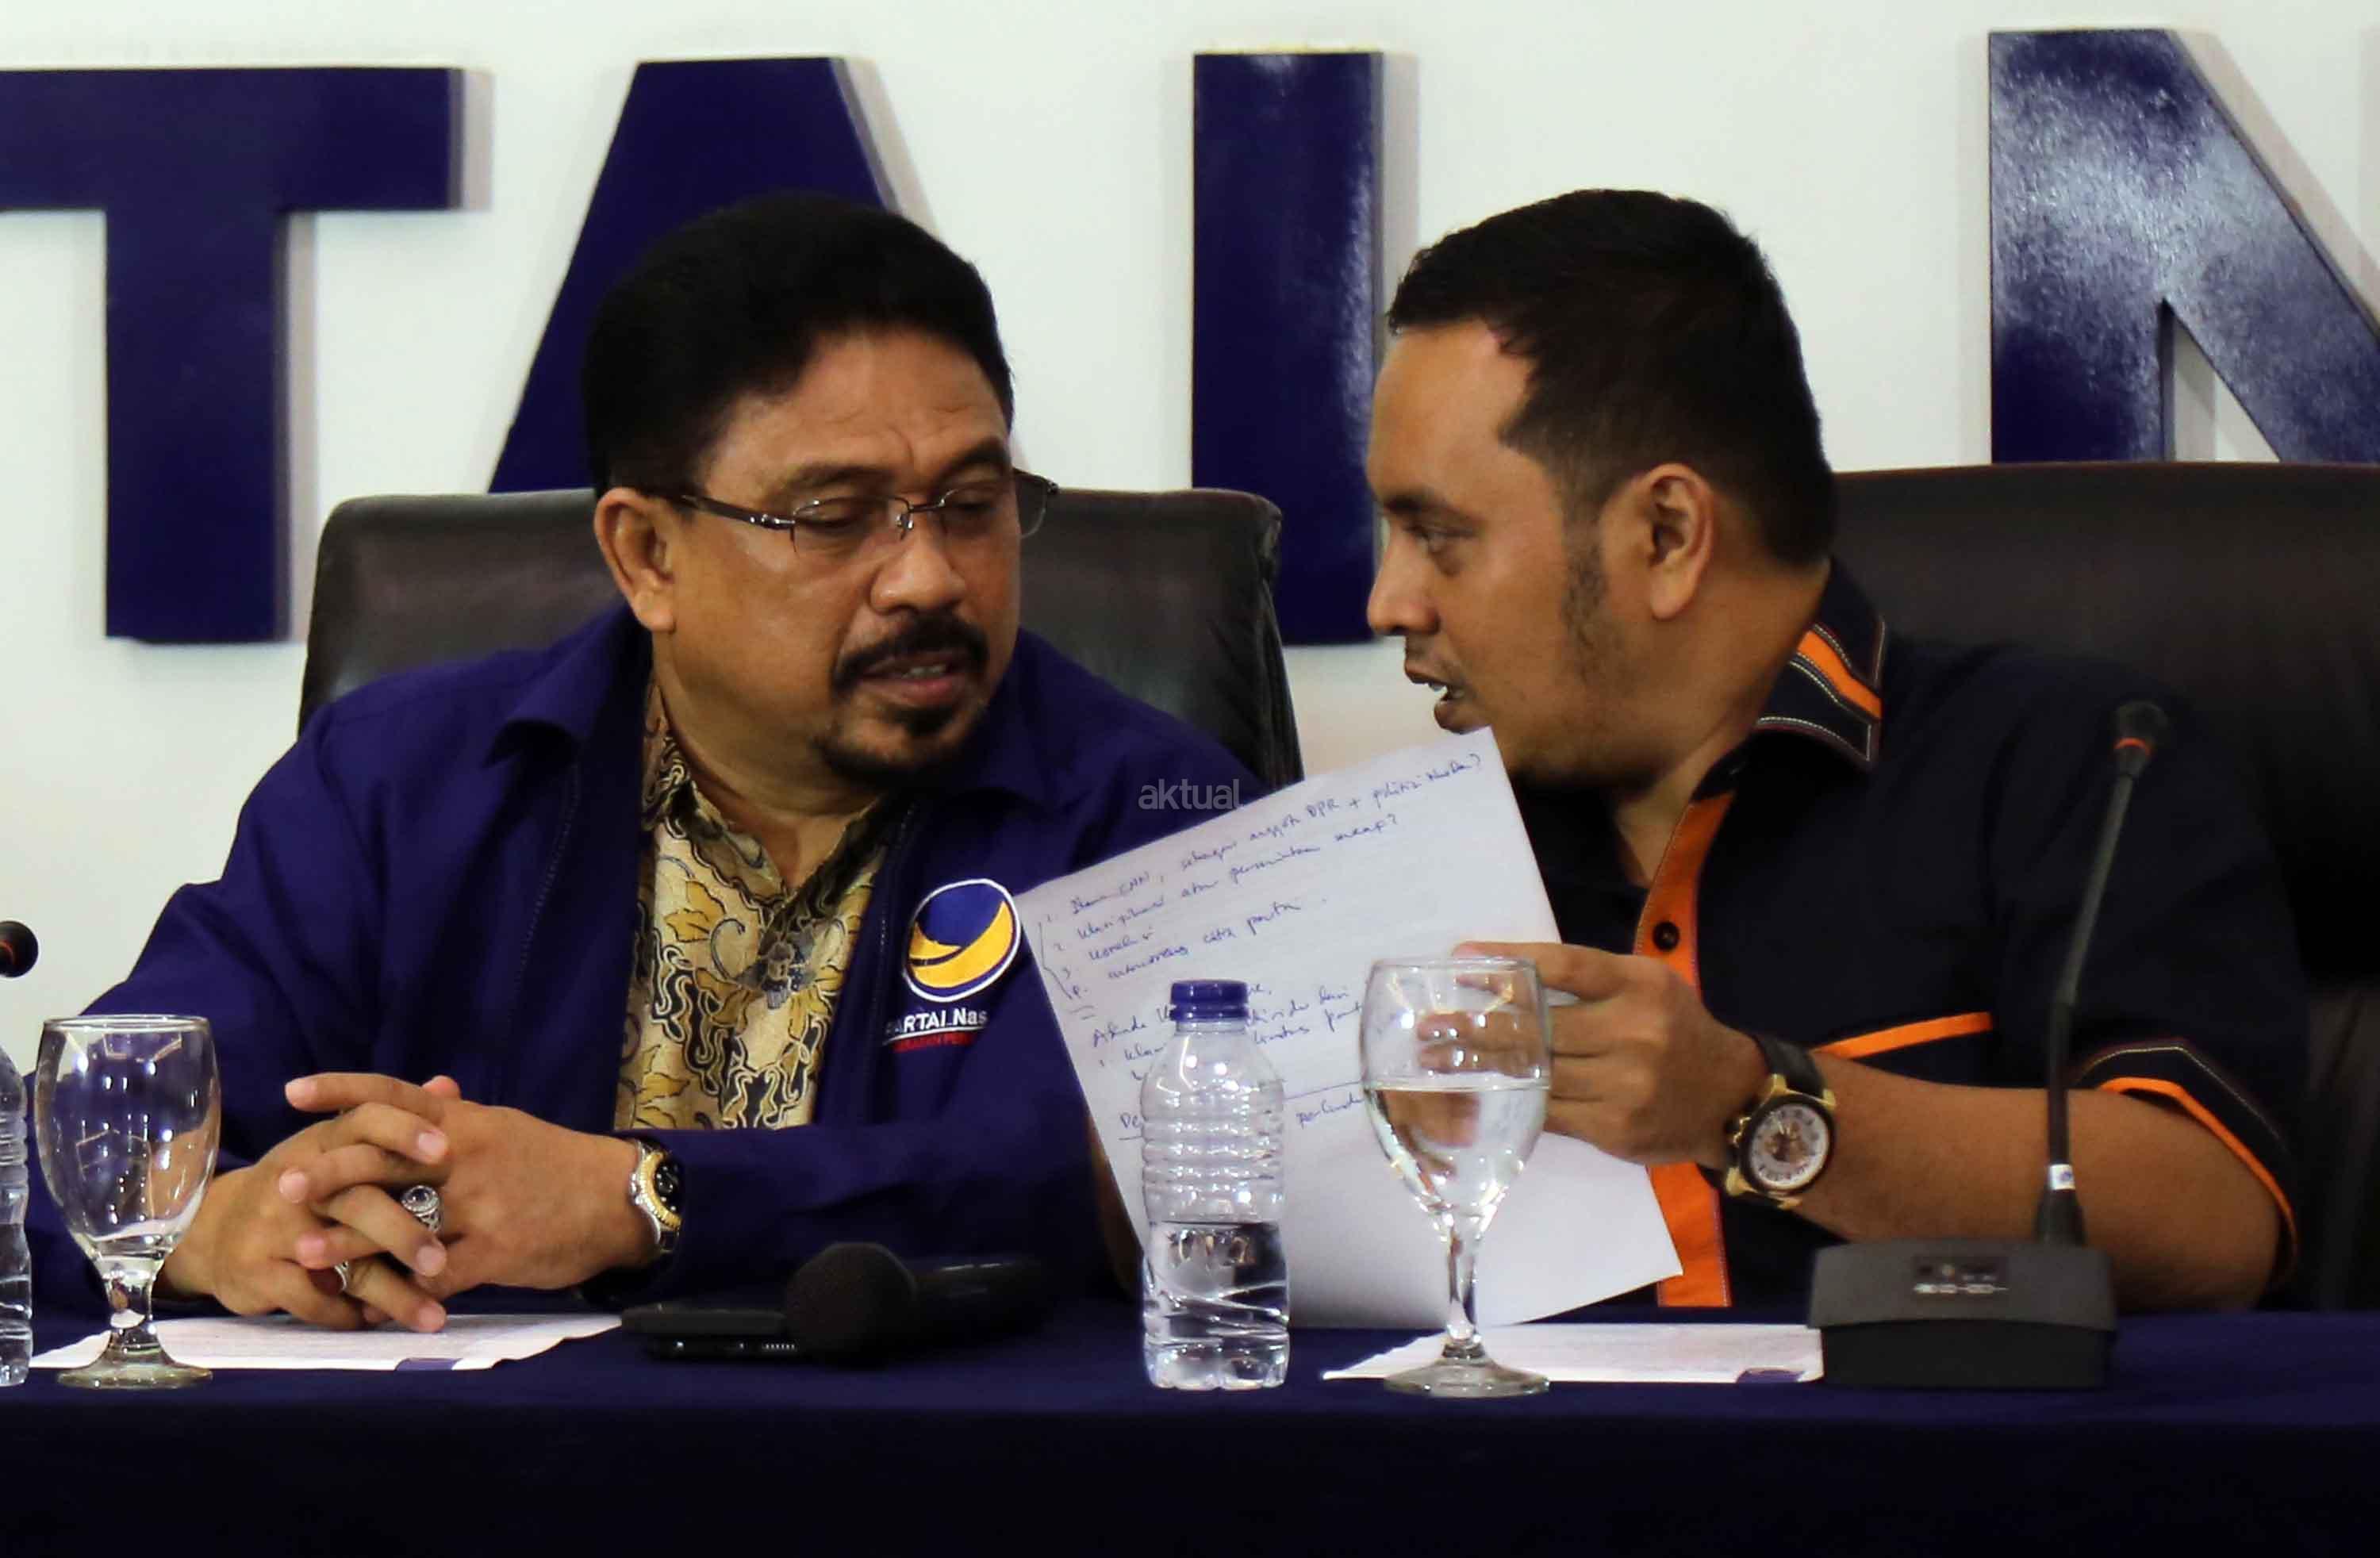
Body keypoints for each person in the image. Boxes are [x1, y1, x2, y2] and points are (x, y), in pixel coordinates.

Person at [33, 192, 1253, 1330]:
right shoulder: (401, 787)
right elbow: (92, 1121)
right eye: (835, 517)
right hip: (466, 1471)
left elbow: (1106, 1176)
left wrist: (643, 1199)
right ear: (648, 557)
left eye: (971, 505)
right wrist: (206, 1227)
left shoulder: (1157, 815)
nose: (929, 577)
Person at [1364, 189, 2301, 1310]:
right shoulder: (1422, 856)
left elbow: (2214, 1217)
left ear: (1666, 534)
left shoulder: (2076, 763)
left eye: (1438, 537)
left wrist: (1749, 1105)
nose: (1389, 602)